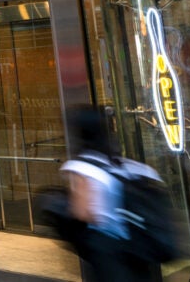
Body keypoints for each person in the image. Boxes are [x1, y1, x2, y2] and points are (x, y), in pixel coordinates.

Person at [60, 106, 153, 282]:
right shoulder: (119, 160)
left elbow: (82, 212)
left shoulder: (83, 167)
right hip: (135, 246)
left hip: (109, 248)